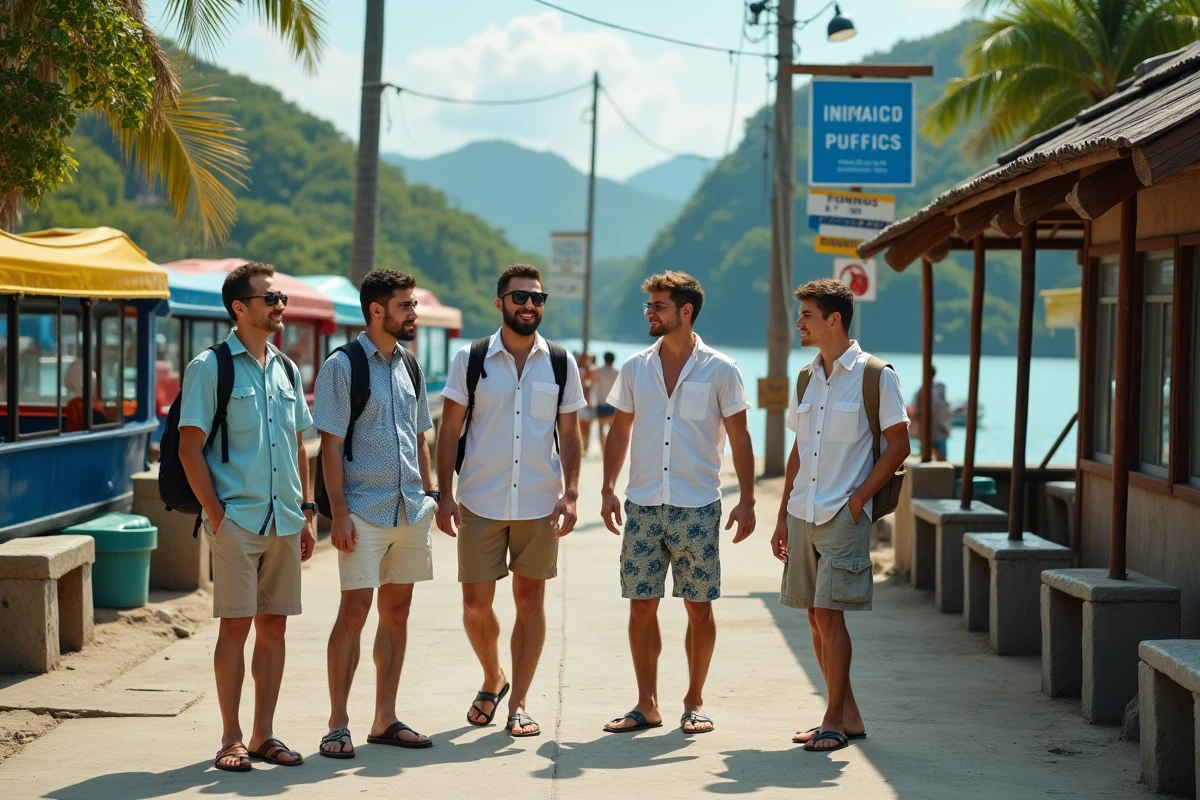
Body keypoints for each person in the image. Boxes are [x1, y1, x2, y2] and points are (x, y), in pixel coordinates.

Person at [599, 270, 756, 735]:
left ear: (686, 312)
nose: (649, 312)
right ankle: (646, 703)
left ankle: (694, 701)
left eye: (658, 306)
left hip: (697, 505)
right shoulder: (635, 368)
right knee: (641, 606)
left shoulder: (722, 369)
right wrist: (608, 488)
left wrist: (747, 500)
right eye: (648, 306)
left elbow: (740, 436)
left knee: (698, 606)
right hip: (643, 504)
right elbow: (619, 431)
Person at [435, 264, 586, 738]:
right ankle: (492, 677)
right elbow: (450, 429)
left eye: (537, 299)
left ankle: (518, 702)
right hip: (480, 498)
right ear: (499, 303)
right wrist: (443, 495)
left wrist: (573, 491)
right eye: (520, 298)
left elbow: (570, 431)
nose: (529, 306)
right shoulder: (472, 357)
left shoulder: (560, 362)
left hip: (540, 504)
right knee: (476, 605)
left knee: (530, 602)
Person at [177, 261, 316, 772]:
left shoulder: (286, 368)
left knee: (274, 628)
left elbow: (299, 443)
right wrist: (218, 517)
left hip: (284, 520)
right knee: (234, 629)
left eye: (281, 297)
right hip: (236, 521)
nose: (280, 305)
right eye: (270, 298)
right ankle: (231, 738)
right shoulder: (209, 367)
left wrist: (306, 511)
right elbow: (189, 449)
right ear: (240, 307)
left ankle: (263, 735)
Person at [770, 278, 910, 753]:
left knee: (830, 617)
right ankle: (846, 714)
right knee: (813, 615)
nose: (800, 323)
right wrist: (780, 515)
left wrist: (860, 499)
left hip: (843, 513)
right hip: (802, 510)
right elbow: (798, 448)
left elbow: (899, 444)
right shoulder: (807, 377)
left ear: (834, 319)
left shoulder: (876, 375)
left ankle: (831, 718)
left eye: (807, 315)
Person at [313, 270, 438, 757]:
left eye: (412, 304)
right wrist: (338, 514)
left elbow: (420, 434)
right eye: (405, 305)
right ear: (377, 311)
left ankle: (384, 718)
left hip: (410, 509)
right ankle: (337, 724)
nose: (413, 313)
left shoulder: (411, 365)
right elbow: (330, 445)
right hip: (362, 509)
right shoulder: (342, 365)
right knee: (355, 612)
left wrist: (431, 494)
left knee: (398, 613)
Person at [908, 367, 952, 460]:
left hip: (934, 429)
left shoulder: (930, 390)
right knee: (933, 455)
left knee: (936, 456)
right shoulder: (929, 391)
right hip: (931, 429)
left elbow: (916, 410)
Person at [593, 351, 620, 449]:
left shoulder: (599, 371)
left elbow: (591, 380)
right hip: (613, 403)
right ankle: (611, 448)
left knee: (601, 428)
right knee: (611, 429)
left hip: (601, 403)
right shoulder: (617, 372)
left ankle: (603, 449)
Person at [576, 352, 595, 454]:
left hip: (590, 401)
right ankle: (582, 447)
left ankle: (585, 447)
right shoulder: (579, 370)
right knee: (580, 425)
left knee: (587, 425)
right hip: (582, 401)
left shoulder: (592, 370)